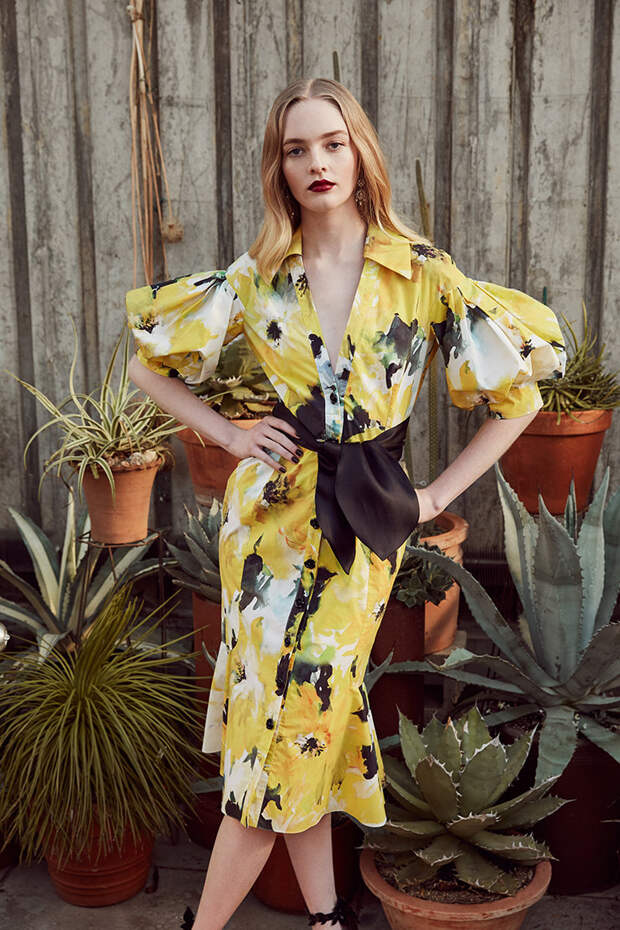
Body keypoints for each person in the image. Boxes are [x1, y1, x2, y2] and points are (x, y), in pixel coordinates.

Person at [125, 77, 565, 930]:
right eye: (297, 149)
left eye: (332, 143)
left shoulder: (419, 272)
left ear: (360, 154)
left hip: (362, 535)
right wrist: (228, 434)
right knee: (292, 728)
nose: (317, 162)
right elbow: (149, 368)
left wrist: (434, 494)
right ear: (280, 168)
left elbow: (521, 400)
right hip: (264, 532)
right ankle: (327, 918)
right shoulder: (258, 275)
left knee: (297, 723)